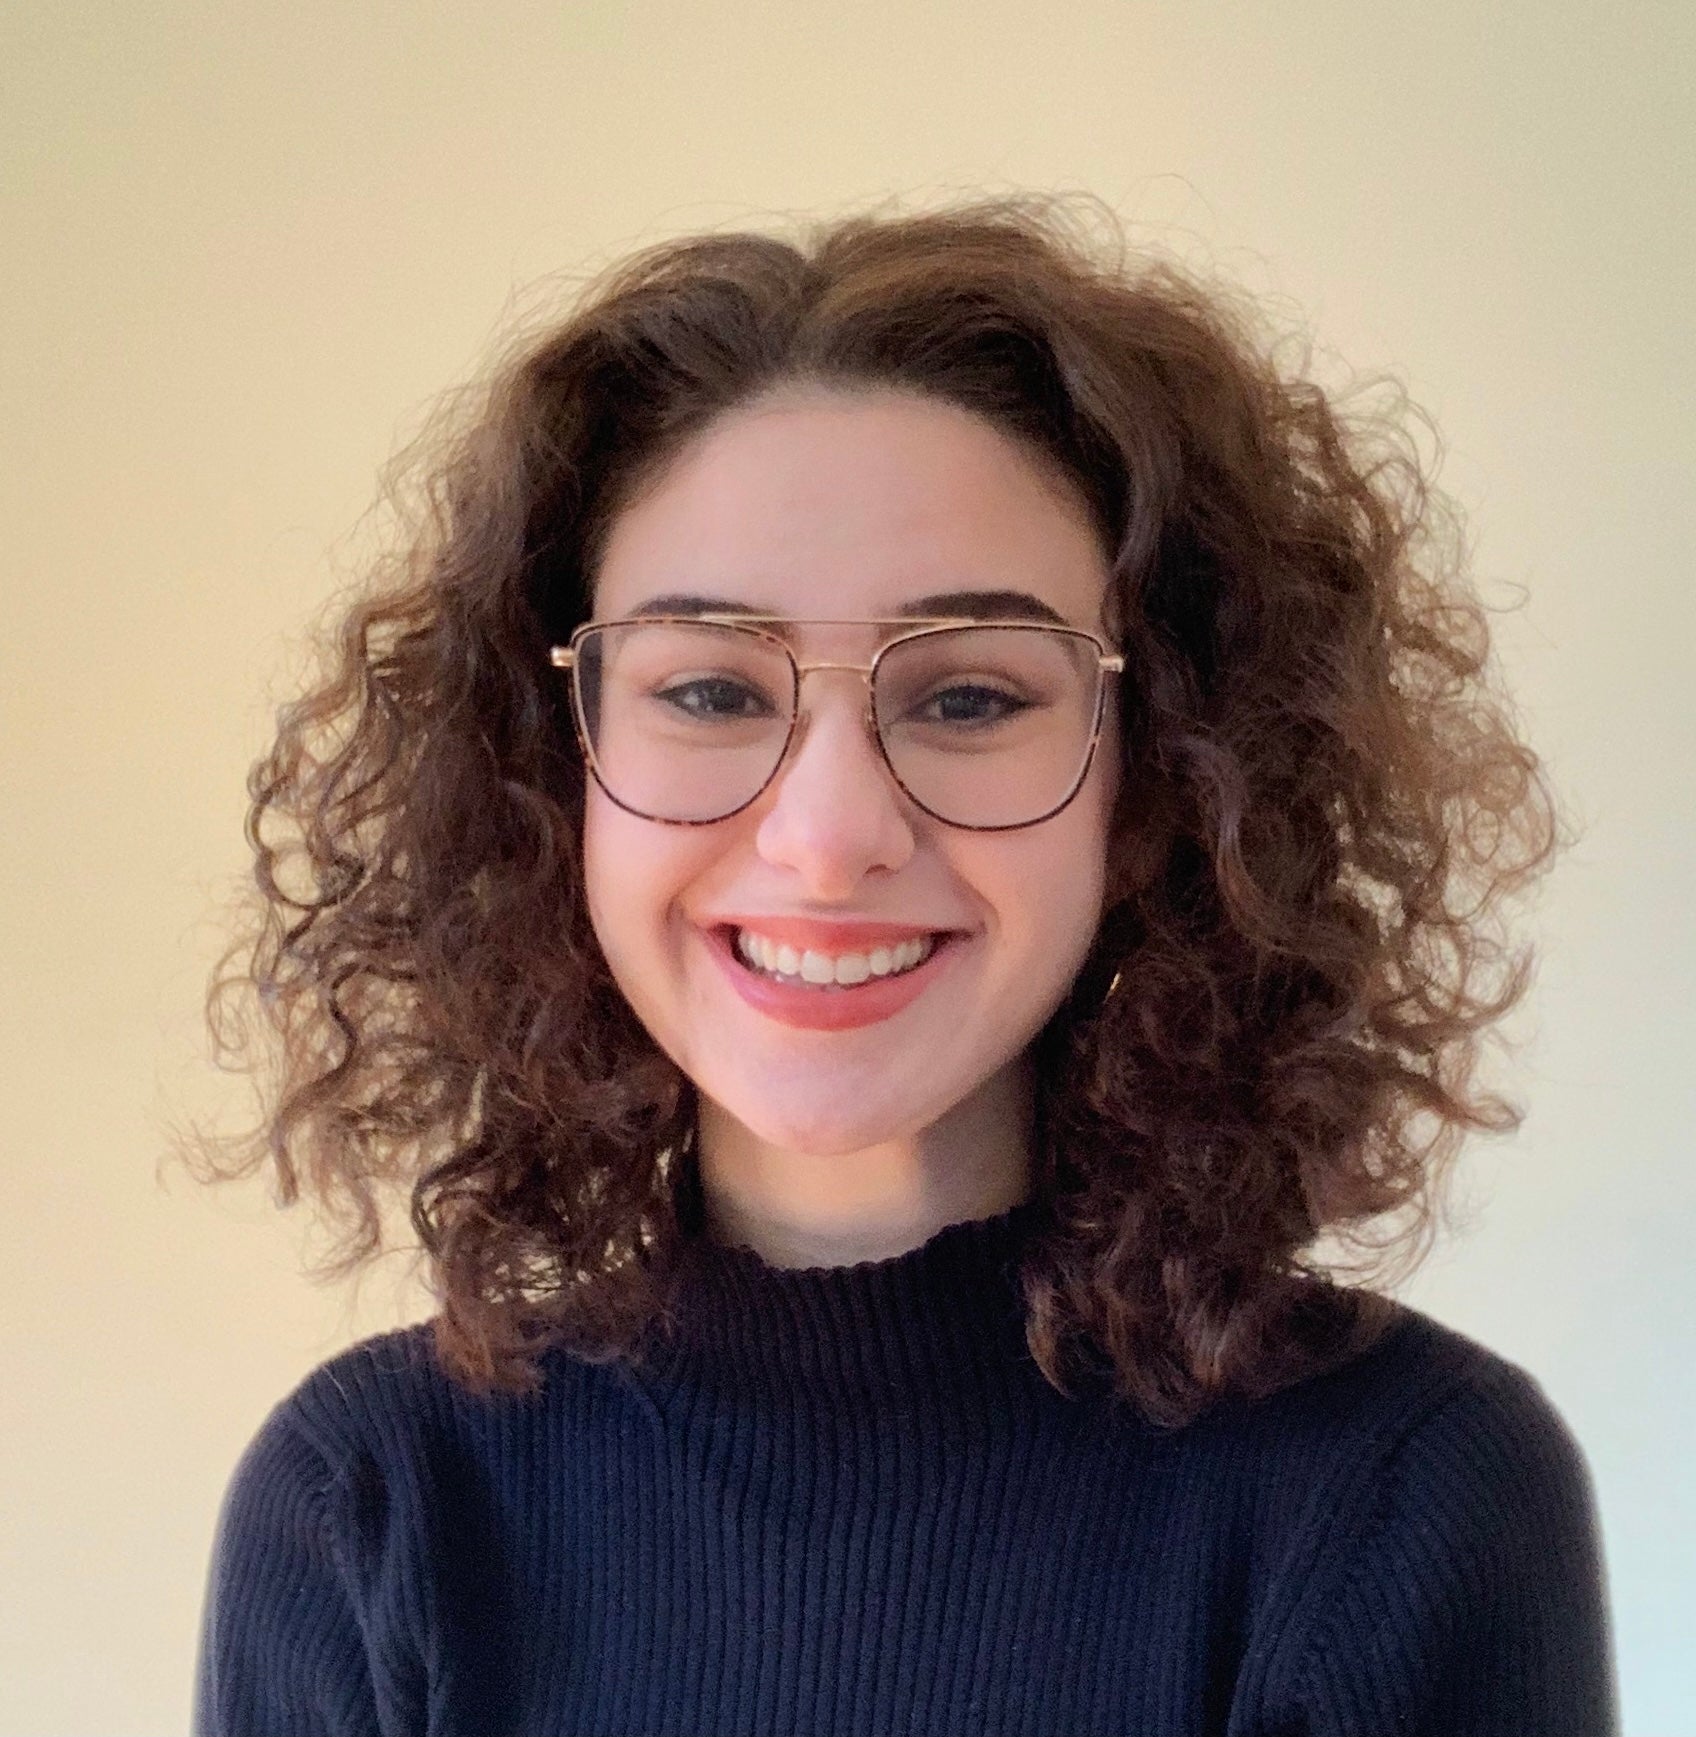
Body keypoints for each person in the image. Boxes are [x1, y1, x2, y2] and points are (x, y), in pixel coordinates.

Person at [191, 198, 1616, 1736]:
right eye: (713, 688)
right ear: (557, 777)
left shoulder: (1406, 1495)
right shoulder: (371, 1513)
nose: (826, 833)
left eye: (969, 698)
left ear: (1156, 788)